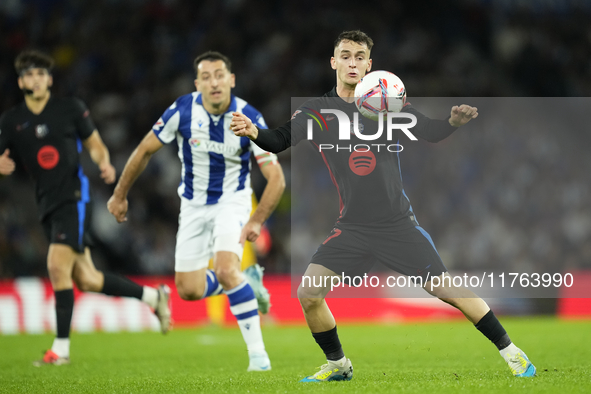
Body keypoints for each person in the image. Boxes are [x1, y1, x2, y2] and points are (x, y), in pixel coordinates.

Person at [231, 30, 536, 381]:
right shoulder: (317, 111)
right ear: (333, 62)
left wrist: (452, 123)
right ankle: (338, 365)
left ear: (369, 65)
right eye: (345, 55)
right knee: (309, 292)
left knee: (447, 290)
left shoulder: (388, 103)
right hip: (352, 227)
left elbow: (430, 131)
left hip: (397, 224)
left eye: (359, 56)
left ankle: (513, 354)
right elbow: (280, 138)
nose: (352, 62)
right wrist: (255, 132)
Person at [107, 51, 285, 371]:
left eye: (220, 75)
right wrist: (120, 195)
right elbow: (145, 149)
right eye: (206, 76)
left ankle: (258, 357)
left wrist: (257, 220)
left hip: (233, 201)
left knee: (227, 269)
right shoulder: (182, 110)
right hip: (192, 205)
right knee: (188, 290)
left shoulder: (248, 116)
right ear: (197, 83)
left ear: (231, 80)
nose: (214, 82)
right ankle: (247, 282)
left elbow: (277, 178)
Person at [0, 50, 171, 366]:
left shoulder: (70, 109)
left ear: (49, 79)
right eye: (29, 74)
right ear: (21, 81)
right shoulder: (12, 121)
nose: (36, 79)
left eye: (41, 74)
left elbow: (95, 144)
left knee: (55, 264)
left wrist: (104, 163)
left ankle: (61, 350)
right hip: (46, 204)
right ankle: (154, 296)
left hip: (75, 198)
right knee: (88, 280)